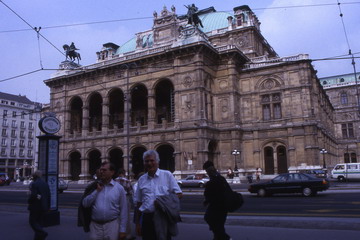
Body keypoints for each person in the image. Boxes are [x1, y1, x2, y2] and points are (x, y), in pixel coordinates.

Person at [135, 150, 182, 240]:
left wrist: (163, 201)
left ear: (157, 162)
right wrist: (137, 223)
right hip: (147, 219)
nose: (149, 163)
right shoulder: (141, 179)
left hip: (163, 217)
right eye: (146, 161)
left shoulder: (167, 175)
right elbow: (139, 203)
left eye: (152, 160)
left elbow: (179, 194)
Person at [82, 162, 128, 240]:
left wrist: (122, 230)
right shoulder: (94, 186)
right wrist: (96, 191)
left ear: (112, 172)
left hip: (112, 225)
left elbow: (124, 210)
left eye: (104, 170)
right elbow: (85, 204)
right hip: (95, 226)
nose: (101, 172)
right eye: (101, 170)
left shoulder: (119, 188)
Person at [203, 161, 232, 240]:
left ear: (209, 171)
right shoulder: (221, 179)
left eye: (206, 171)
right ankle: (219, 237)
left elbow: (208, 194)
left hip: (216, 207)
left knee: (209, 219)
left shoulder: (212, 182)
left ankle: (225, 237)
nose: (207, 173)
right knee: (219, 225)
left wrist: (206, 201)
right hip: (223, 207)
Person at [28, 170, 50, 240]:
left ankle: (42, 233)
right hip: (44, 207)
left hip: (35, 207)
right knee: (39, 223)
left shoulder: (34, 184)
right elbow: (48, 196)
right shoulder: (45, 183)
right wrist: (48, 206)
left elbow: (33, 195)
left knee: (32, 221)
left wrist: (29, 200)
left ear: (35, 176)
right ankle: (38, 238)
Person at [116, 169, 136, 240]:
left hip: (116, 199)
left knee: (117, 217)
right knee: (126, 216)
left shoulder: (115, 181)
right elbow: (130, 192)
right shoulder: (127, 181)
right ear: (124, 173)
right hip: (125, 199)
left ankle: (117, 233)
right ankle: (127, 234)